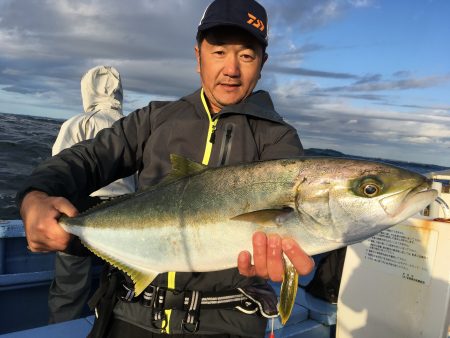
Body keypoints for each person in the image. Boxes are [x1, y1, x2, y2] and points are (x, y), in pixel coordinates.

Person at [17, 0, 315, 337]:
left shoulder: (279, 140)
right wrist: (34, 196)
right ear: (197, 55)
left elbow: (293, 222)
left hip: (227, 323)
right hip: (131, 310)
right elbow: (86, 159)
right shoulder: (155, 119)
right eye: (218, 52)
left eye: (246, 55)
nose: (232, 68)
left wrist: (288, 259)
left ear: (262, 63)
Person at [47, 65, 137, 323]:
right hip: (124, 213)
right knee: (121, 285)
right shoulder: (132, 127)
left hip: (81, 212)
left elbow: (59, 170)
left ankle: (63, 328)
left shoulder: (76, 124)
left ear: (87, 90)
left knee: (69, 286)